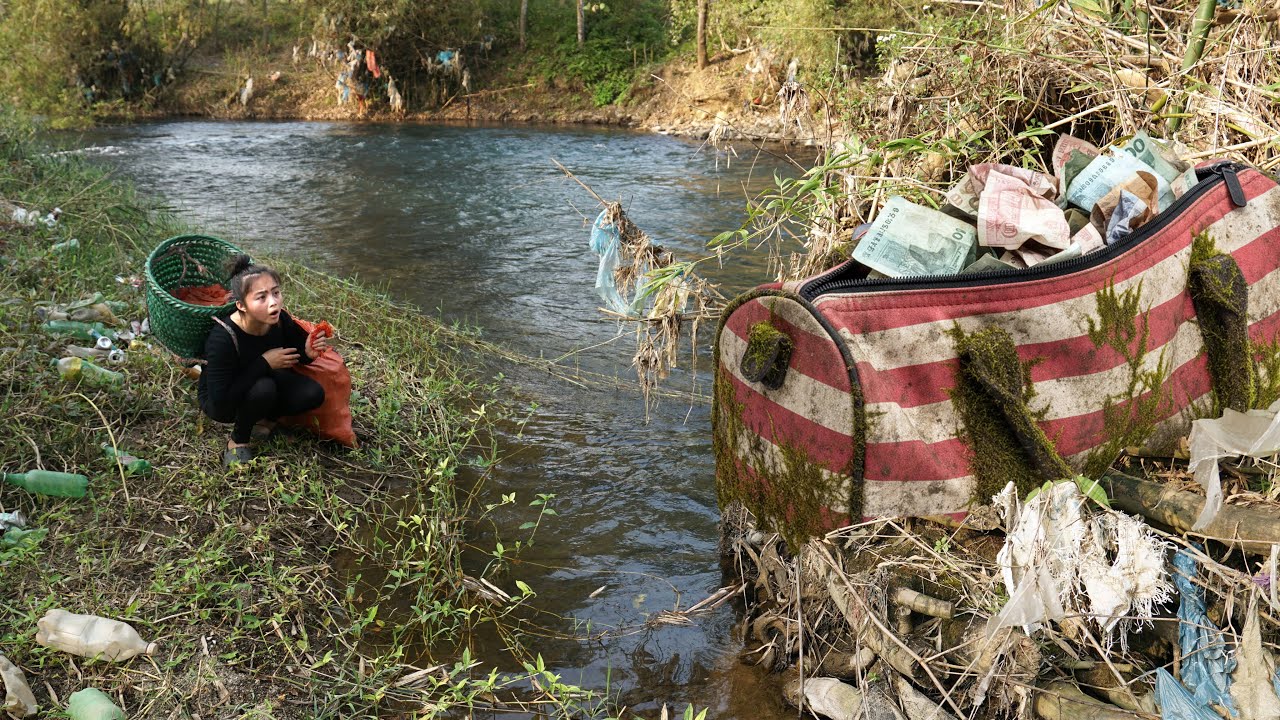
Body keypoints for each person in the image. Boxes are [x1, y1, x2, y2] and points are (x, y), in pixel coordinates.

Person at [198, 255, 327, 465]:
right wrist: (264, 363)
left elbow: (295, 355)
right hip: (221, 399)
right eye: (261, 297)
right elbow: (220, 399)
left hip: (263, 381)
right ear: (241, 305)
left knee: (313, 393)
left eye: (276, 292)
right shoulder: (222, 338)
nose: (274, 302)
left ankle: (265, 422)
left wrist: (307, 353)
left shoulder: (279, 320)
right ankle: (237, 441)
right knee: (263, 388)